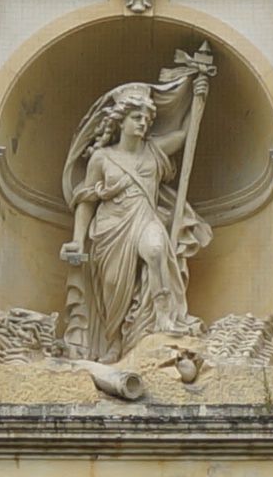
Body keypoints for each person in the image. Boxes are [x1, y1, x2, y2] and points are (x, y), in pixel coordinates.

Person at [59, 48, 214, 359]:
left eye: (146, 118)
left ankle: (165, 318)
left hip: (144, 219)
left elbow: (185, 134)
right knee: (113, 287)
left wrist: (198, 94)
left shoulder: (153, 152)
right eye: (136, 117)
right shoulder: (102, 158)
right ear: (121, 121)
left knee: (157, 251)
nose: (143, 123)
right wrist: (77, 241)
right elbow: (87, 201)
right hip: (110, 228)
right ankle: (113, 340)